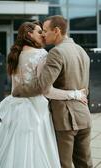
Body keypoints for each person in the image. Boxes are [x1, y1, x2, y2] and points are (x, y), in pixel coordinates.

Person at [0, 21, 87, 168]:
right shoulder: (41, 55)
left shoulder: (15, 54)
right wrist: (75, 94)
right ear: (29, 34)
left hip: (17, 106)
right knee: (38, 146)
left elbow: (17, 88)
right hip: (36, 108)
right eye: (39, 31)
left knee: (14, 146)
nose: (42, 35)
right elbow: (46, 90)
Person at [13, 16, 93, 168]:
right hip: (84, 116)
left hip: (65, 120)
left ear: (57, 31)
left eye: (45, 31)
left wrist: (19, 90)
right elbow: (85, 88)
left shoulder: (56, 52)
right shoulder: (82, 51)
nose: (43, 34)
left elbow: (43, 86)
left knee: (63, 164)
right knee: (85, 164)